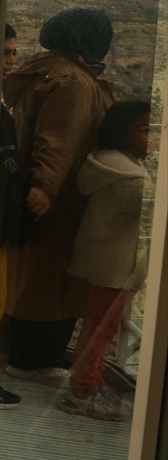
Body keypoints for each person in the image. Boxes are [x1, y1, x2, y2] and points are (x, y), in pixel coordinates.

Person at [3, 8, 115, 383]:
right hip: (61, 199)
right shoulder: (72, 81)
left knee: (29, 276)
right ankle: (35, 360)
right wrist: (45, 186)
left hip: (38, 192)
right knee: (50, 284)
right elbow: (58, 138)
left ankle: (16, 347)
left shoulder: (44, 72)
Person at [59, 100, 151, 420]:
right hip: (115, 268)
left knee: (95, 325)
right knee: (102, 330)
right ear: (122, 132)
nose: (151, 138)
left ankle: (85, 383)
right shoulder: (131, 179)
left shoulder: (104, 164)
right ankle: (83, 390)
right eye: (143, 129)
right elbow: (151, 208)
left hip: (97, 259)